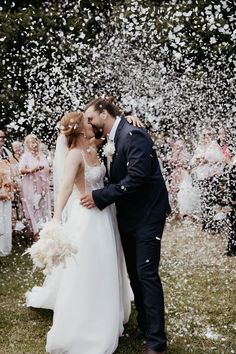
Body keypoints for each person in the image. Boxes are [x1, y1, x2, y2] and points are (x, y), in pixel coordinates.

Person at [26, 111, 132, 354]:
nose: (92, 122)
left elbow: (114, 131)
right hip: (86, 218)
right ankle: (86, 321)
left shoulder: (94, 148)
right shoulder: (74, 155)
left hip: (105, 215)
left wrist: (129, 118)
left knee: (107, 264)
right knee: (88, 267)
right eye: (87, 120)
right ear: (80, 128)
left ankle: (107, 310)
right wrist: (55, 219)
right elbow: (64, 187)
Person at [81, 97, 171, 354]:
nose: (89, 123)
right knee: (134, 272)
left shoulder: (133, 135)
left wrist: (100, 196)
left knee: (146, 274)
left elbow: (138, 178)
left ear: (103, 112)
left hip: (148, 216)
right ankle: (144, 325)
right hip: (128, 216)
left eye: (90, 117)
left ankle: (156, 340)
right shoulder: (113, 138)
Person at [19, 134, 51, 241]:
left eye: (36, 142)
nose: (34, 144)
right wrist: (32, 170)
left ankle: (44, 232)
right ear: (27, 144)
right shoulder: (25, 156)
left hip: (42, 187)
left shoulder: (42, 155)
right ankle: (36, 234)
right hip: (31, 187)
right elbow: (21, 170)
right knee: (34, 208)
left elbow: (46, 168)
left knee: (43, 208)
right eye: (32, 142)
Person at [0, 129, 14, 256]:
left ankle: (5, 248)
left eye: (3, 137)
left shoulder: (5, 152)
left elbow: (14, 168)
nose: (1, 139)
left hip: (6, 189)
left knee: (5, 219)